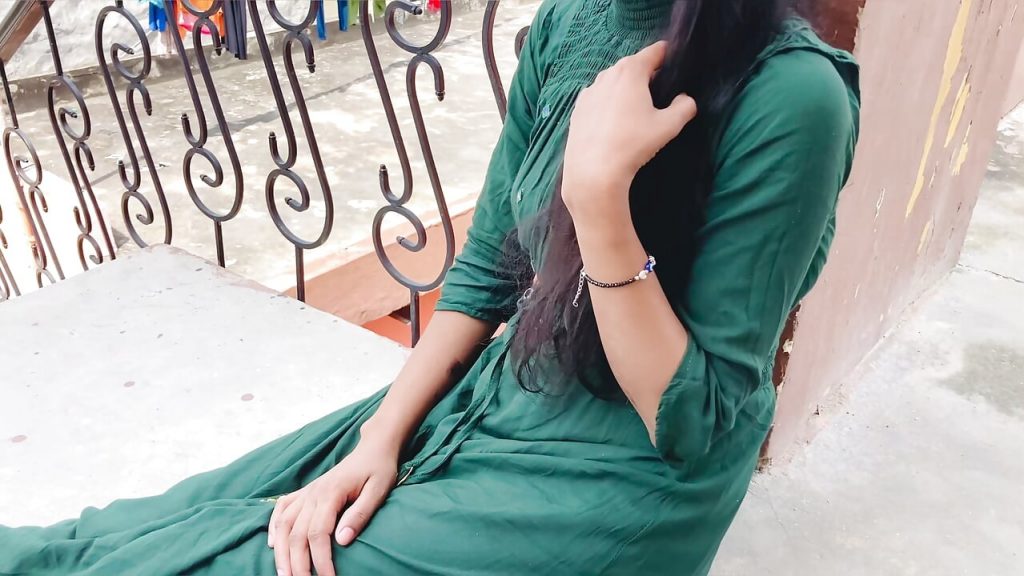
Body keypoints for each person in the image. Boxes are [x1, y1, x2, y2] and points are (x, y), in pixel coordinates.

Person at [0, 0, 859, 574]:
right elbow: (485, 270)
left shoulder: (794, 96)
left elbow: (694, 421)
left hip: (625, 476)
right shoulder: (572, 21)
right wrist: (378, 438)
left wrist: (600, 201)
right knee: (165, 520)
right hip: (513, 389)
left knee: (253, 562)